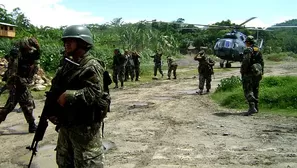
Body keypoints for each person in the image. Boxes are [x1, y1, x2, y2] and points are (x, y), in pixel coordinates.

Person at [49, 25, 108, 167]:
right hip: (67, 125)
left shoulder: (91, 65)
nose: (66, 44)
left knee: (86, 162)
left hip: (85, 128)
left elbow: (95, 92)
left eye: (71, 41)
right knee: (64, 161)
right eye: (65, 41)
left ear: (82, 43)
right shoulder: (67, 65)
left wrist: (69, 96)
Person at [0, 37, 40, 133]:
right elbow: (12, 70)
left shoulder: (30, 56)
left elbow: (34, 64)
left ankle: (32, 125)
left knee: (26, 105)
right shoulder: (17, 56)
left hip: (22, 83)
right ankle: (32, 125)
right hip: (16, 83)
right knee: (12, 106)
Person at [241, 35, 264, 116]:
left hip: (249, 73)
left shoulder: (248, 50)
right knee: (255, 89)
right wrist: (262, 72)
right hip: (257, 72)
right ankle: (256, 108)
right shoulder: (257, 49)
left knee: (248, 90)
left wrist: (243, 71)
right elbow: (262, 62)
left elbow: (246, 61)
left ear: (248, 42)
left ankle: (252, 108)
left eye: (246, 42)